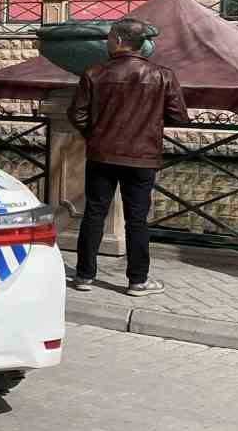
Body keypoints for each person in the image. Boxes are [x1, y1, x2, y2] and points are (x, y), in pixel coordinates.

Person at [68, 18, 188, 297]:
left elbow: (77, 115)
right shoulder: (162, 75)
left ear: (120, 41)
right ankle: (137, 281)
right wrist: (149, 122)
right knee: (137, 220)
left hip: (101, 156)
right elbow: (178, 115)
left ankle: (84, 276)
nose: (106, 43)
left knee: (94, 214)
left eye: (109, 38)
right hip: (142, 157)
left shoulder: (94, 73)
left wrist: (96, 135)